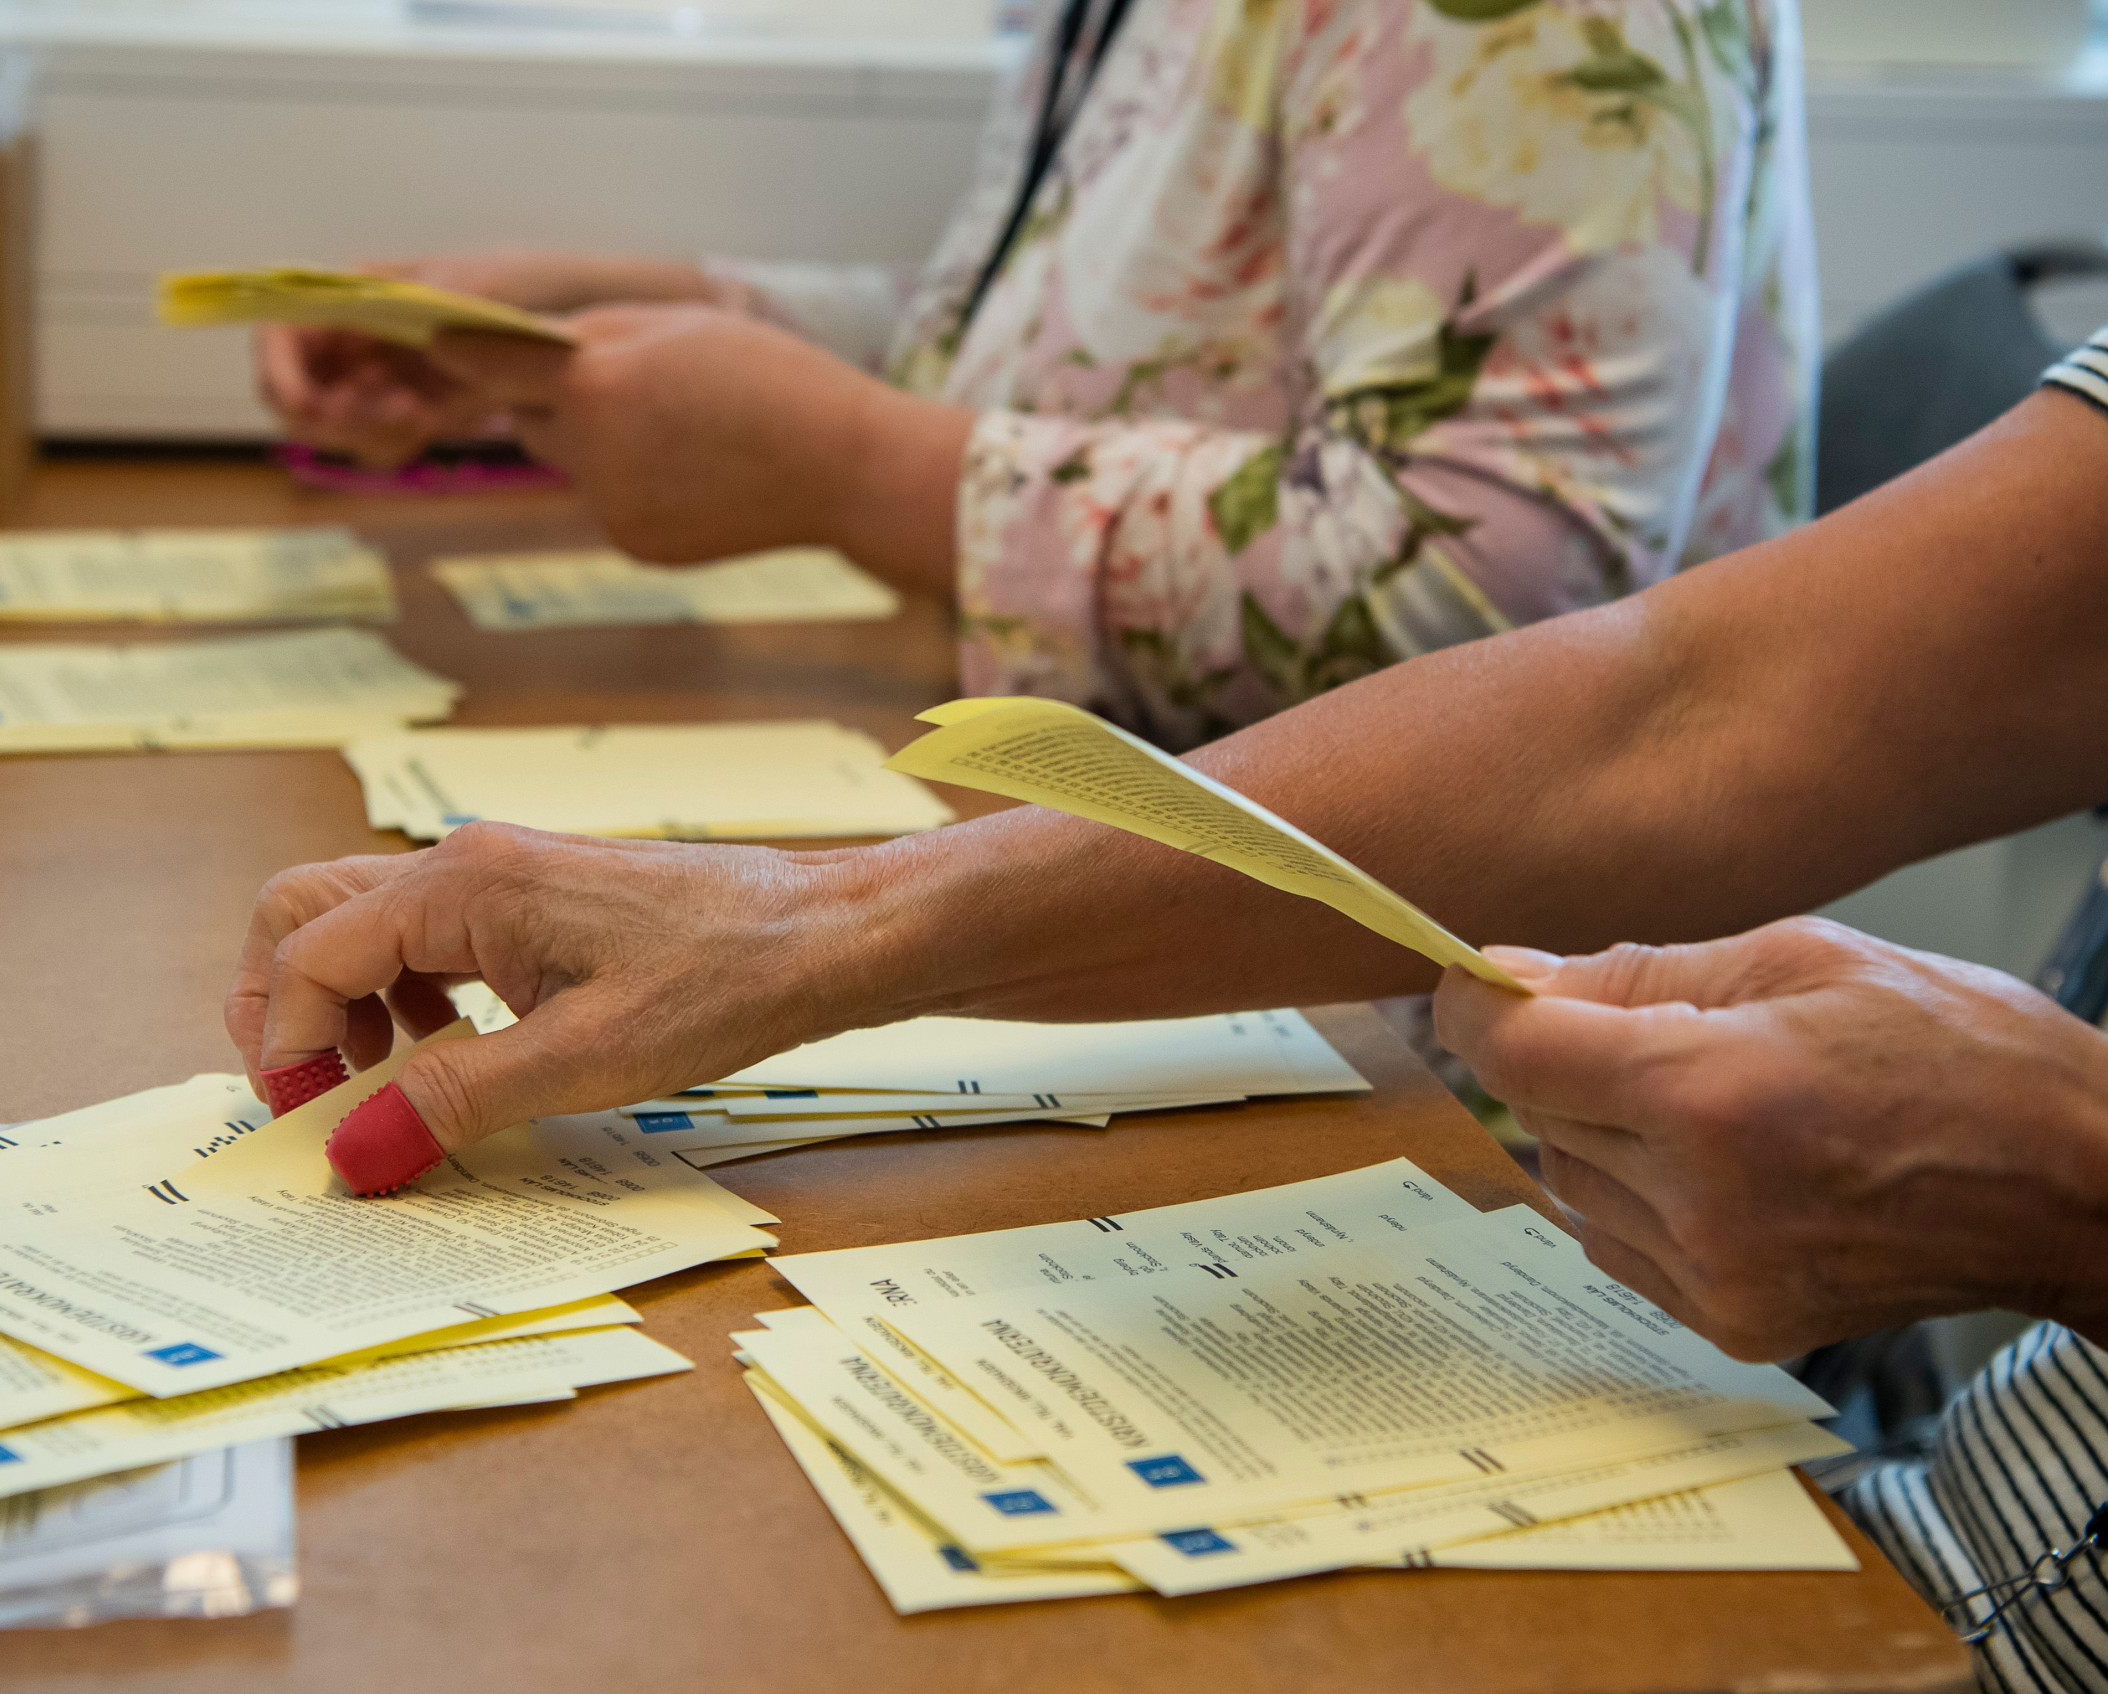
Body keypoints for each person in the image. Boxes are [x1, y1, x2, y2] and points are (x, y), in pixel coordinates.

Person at [230, 331, 2108, 1685]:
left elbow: (1527, 578)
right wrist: (805, 917)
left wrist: (2078, 1184)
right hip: (1917, 1506)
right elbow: (1689, 706)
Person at [262, 0, 1817, 748]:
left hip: (1465, 1095)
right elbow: (1076, 347)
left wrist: (846, 466)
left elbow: (1500, 596)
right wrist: (607, 321)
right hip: (1132, 882)